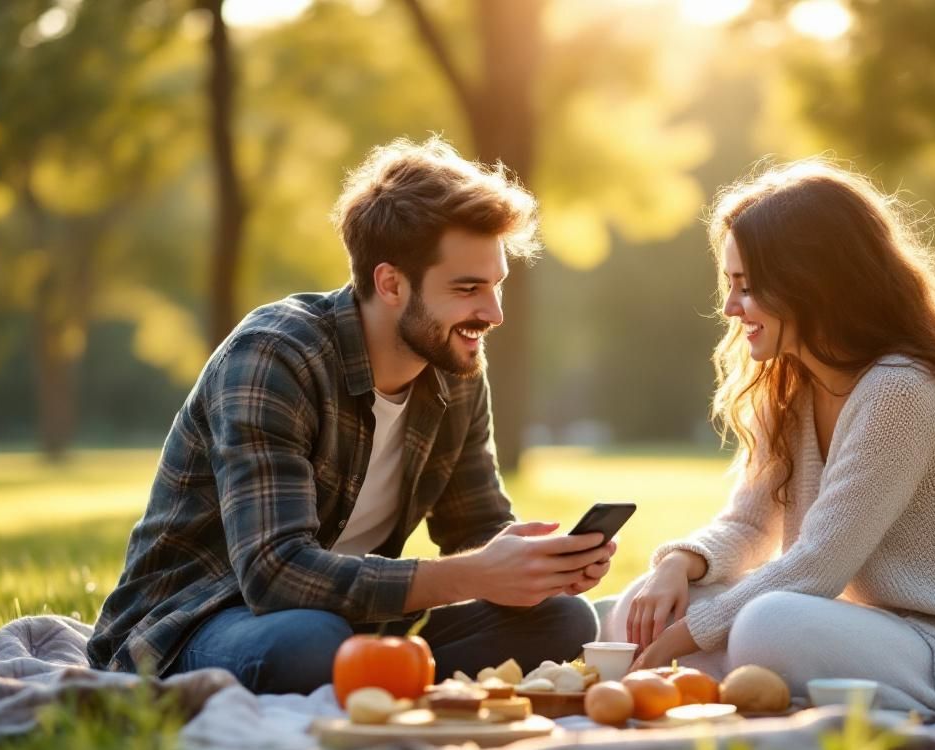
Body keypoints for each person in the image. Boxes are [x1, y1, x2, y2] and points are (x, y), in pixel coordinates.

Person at [88, 138, 615, 694]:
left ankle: (376, 679)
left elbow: (476, 529)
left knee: (565, 621)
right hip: (202, 618)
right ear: (390, 283)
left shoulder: (453, 365)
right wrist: (477, 573)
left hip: (351, 620)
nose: (493, 313)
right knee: (312, 644)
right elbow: (275, 572)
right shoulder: (274, 357)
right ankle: (375, 676)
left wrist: (540, 567)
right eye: (468, 289)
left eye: (496, 286)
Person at [607, 160, 935, 719]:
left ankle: (764, 679)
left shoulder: (902, 390)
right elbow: (750, 525)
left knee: (766, 624)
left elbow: (817, 565)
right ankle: (764, 682)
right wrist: (679, 565)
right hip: (863, 631)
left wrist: (682, 639)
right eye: (730, 285)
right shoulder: (791, 385)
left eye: (747, 288)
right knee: (637, 606)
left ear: (809, 283)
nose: (729, 308)